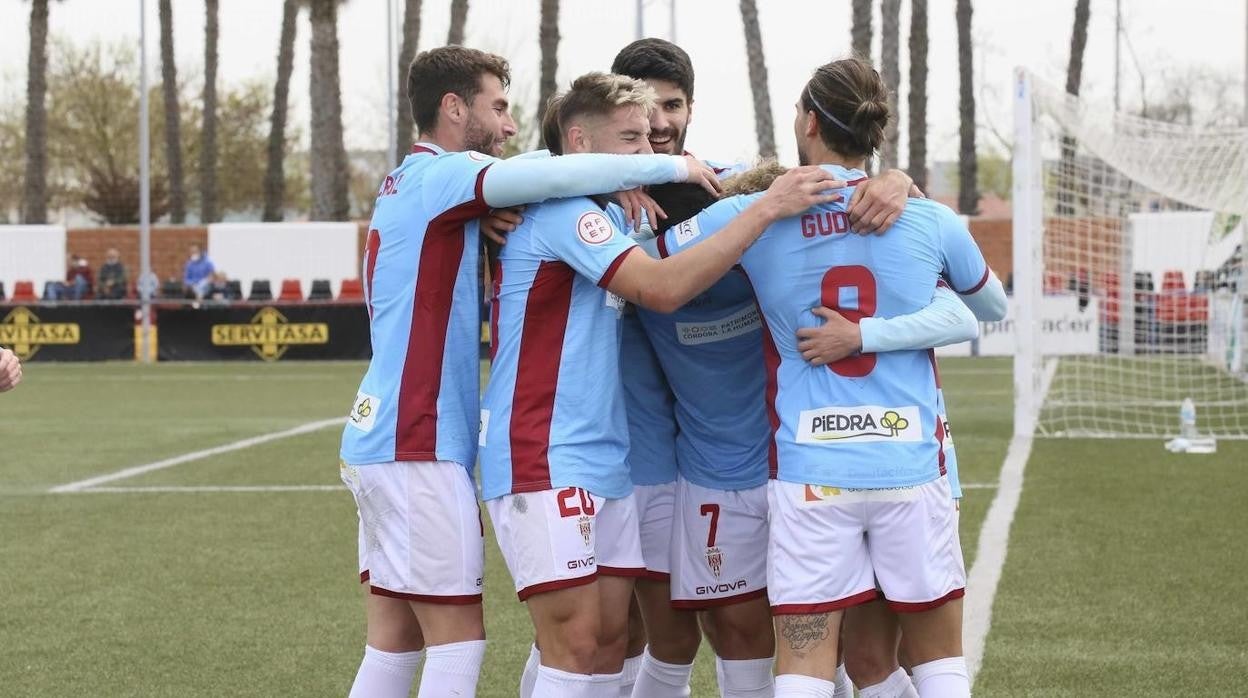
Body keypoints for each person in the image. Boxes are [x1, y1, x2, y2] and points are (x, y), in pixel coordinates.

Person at [337, 46, 723, 698]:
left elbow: (545, 167)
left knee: (395, 640)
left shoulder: (419, 182)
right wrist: (670, 164)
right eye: (497, 106)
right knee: (458, 642)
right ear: (453, 108)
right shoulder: (448, 175)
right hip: (416, 438)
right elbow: (547, 167)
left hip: (386, 435)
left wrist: (596, 175)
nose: (509, 126)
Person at [649, 57, 1007, 698]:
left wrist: (756, 208)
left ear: (809, 122)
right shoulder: (927, 219)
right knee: (935, 660)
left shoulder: (762, 218)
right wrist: (907, 193)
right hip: (911, 464)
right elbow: (990, 309)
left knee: (806, 662)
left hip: (812, 475)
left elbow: (661, 255)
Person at [478, 72, 842, 698]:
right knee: (573, 644)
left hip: (606, 461)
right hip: (543, 451)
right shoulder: (563, 210)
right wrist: (763, 208)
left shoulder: (623, 208)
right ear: (577, 139)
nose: (649, 155)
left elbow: (738, 173)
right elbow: (663, 288)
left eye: (653, 140)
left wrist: (888, 179)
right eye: (631, 140)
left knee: (609, 640)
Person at [605, 37, 918, 698]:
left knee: (845, 642)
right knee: (617, 638)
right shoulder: (586, 203)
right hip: (647, 462)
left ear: (690, 110)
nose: (656, 122)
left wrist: (897, 180)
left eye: (671, 104)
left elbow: (830, 186)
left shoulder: (730, 185)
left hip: (800, 458)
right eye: (639, 107)